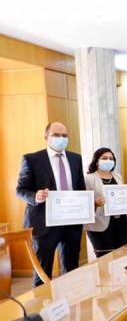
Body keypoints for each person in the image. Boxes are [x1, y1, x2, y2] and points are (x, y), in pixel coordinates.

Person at [16, 122, 86, 286]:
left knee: (72, 270)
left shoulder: (76, 159)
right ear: (46, 136)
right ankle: (41, 303)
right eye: (56, 135)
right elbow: (20, 189)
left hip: (71, 222)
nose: (61, 138)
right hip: (44, 224)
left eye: (64, 135)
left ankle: (72, 301)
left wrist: (86, 211)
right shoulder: (32, 159)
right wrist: (35, 196)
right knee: (42, 273)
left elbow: (80, 189)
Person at [84, 148, 127, 256]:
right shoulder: (88, 178)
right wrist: (95, 203)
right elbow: (84, 203)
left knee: (122, 256)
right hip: (100, 224)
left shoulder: (117, 176)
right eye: (104, 158)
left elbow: (122, 196)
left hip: (120, 223)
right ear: (97, 161)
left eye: (111, 158)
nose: (108, 161)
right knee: (104, 258)